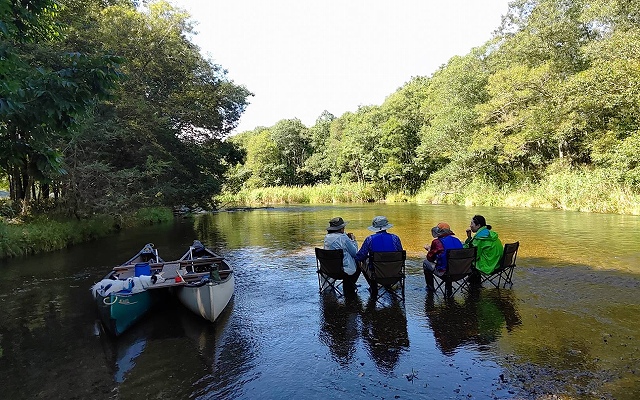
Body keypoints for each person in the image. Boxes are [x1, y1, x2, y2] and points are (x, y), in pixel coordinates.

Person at [422, 222, 463, 290]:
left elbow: (430, 258)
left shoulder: (437, 242)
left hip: (445, 273)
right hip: (461, 272)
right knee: (449, 262)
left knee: (426, 263)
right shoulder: (457, 240)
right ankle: (448, 289)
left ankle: (430, 288)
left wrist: (429, 250)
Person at [324, 216, 360, 291]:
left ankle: (347, 285)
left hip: (328, 268)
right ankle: (349, 286)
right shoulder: (343, 238)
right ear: (341, 229)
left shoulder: (327, 237)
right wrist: (353, 240)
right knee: (359, 261)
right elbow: (354, 253)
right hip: (343, 270)